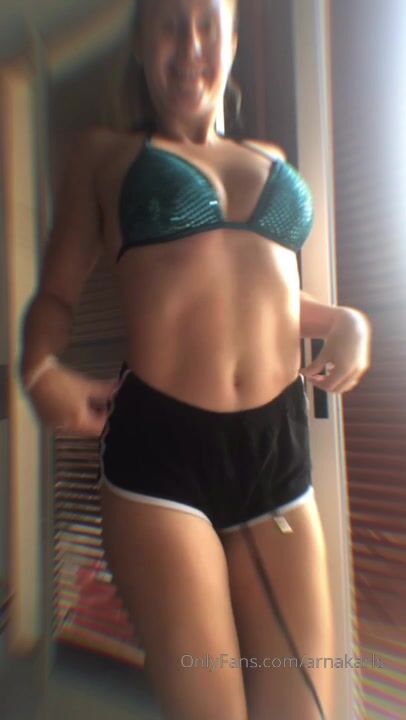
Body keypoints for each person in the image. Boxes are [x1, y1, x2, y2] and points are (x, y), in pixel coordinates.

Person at [19, 0, 372, 718]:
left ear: (233, 41)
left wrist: (346, 320)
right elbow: (54, 294)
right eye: (170, 26)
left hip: (275, 454)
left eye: (208, 25)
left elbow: (271, 296)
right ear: (141, 44)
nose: (190, 46)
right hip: (161, 460)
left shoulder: (271, 158)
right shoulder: (104, 155)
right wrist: (39, 369)